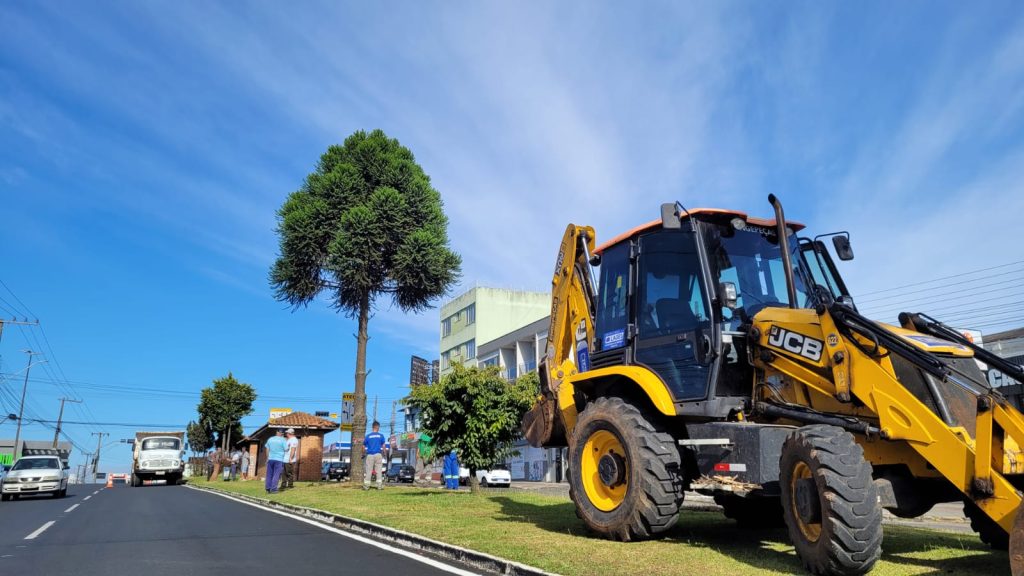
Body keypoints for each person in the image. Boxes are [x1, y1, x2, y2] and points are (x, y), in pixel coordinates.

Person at [363, 421, 386, 490]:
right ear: (378, 427)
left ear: (372, 427)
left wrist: (363, 453)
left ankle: (366, 486)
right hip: (378, 454)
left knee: (368, 470)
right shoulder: (381, 436)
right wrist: (385, 453)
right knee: (378, 470)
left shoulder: (368, 436)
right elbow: (383, 446)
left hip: (370, 455)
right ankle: (379, 486)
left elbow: (363, 446)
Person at [264, 429, 287, 494]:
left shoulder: (270, 439)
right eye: (282, 433)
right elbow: (286, 449)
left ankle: (268, 488)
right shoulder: (283, 440)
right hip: (279, 460)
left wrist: (267, 458)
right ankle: (273, 489)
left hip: (270, 459)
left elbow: (267, 449)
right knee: (276, 474)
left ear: (276, 432)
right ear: (282, 433)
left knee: (269, 474)